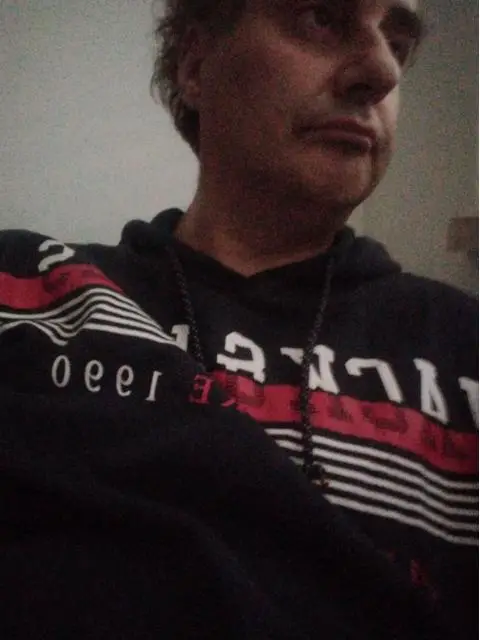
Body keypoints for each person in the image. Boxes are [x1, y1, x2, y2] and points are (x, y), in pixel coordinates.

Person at [0, 0, 477, 638]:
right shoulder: (26, 288)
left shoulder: (466, 344)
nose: (382, 72)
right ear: (196, 65)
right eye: (322, 18)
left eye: (398, 42)